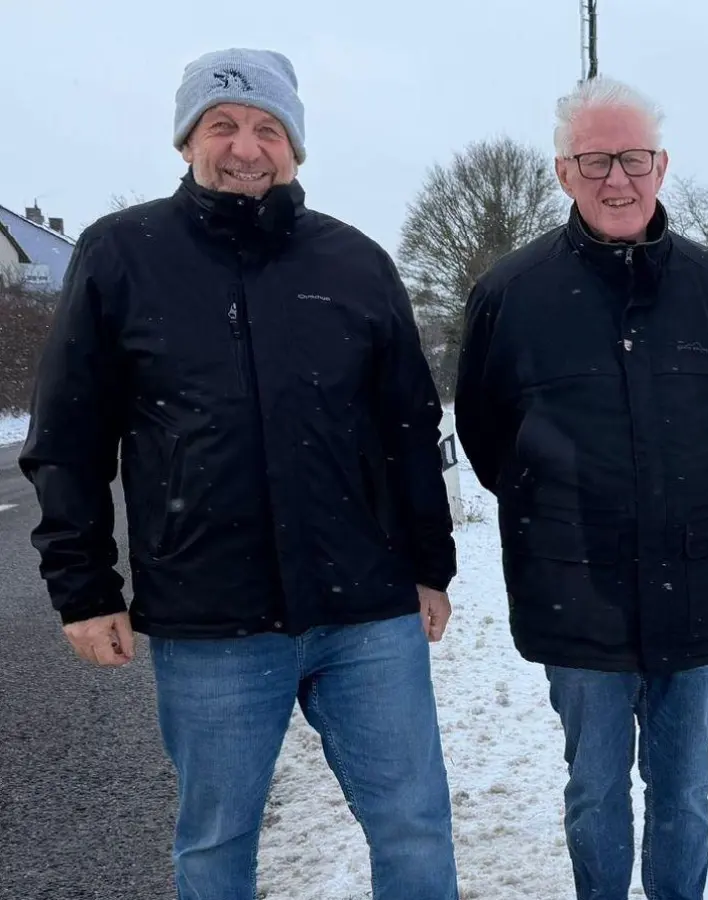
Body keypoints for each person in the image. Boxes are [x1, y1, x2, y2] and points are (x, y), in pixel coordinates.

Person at [18, 48, 460, 900]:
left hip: (367, 613)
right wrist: (84, 589)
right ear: (187, 140)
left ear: (295, 146)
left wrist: (429, 567)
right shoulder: (122, 254)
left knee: (414, 823)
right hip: (210, 619)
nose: (246, 147)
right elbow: (70, 437)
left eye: (268, 128)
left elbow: (408, 429)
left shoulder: (356, 262)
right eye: (222, 125)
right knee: (216, 844)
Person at [454, 74, 708, 900]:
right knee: (595, 790)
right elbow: (489, 443)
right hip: (575, 598)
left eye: (634, 159)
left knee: (685, 791)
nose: (617, 179)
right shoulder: (511, 295)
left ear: (662, 166)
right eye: (595, 161)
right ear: (563, 172)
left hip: (699, 589)